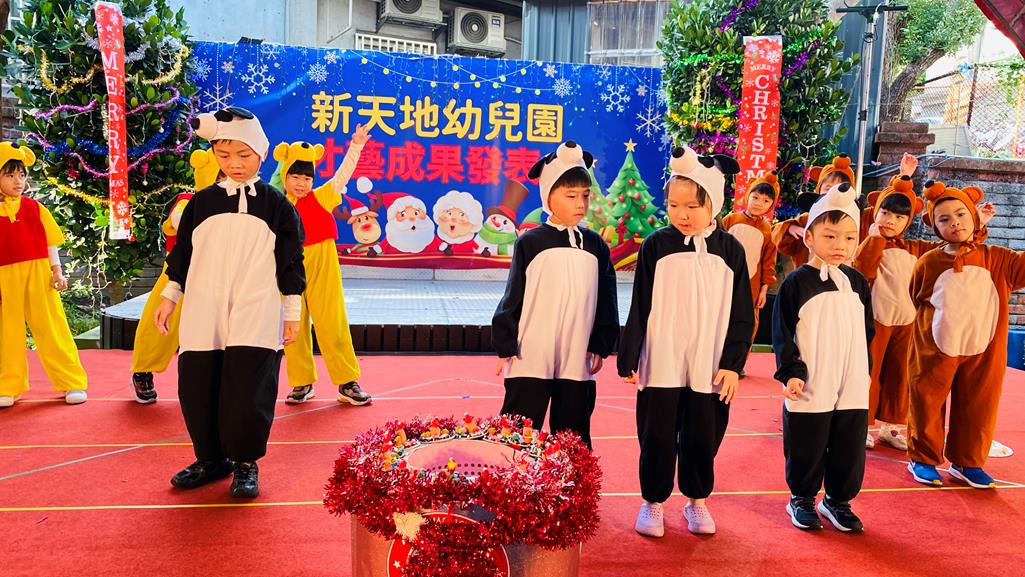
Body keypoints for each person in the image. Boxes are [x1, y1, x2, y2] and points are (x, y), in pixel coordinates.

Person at [154, 107, 305, 498]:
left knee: (247, 388)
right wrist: (170, 296)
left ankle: (244, 462)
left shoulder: (278, 206)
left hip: (256, 305)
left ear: (261, 153)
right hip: (204, 306)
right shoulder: (201, 203)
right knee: (197, 384)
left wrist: (292, 313)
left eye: (243, 155)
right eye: (224, 155)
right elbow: (183, 254)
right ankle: (210, 459)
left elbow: (291, 262)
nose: (234, 164)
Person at [620, 145, 753, 537]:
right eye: (674, 205)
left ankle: (697, 500)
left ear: (714, 203)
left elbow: (742, 314)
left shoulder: (730, 251)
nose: (682, 214)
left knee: (703, 436)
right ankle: (653, 501)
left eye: (693, 206)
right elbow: (640, 304)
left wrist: (732, 364)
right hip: (662, 360)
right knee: (657, 435)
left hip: (708, 365)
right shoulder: (656, 246)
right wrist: (630, 355)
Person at [492, 140, 619, 450]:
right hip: (531, 351)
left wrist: (601, 343)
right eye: (571, 196)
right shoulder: (531, 242)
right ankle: (514, 477)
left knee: (573, 432)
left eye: (585, 195)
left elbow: (607, 299)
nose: (580, 204)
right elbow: (514, 295)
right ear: (548, 196)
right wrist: (505, 342)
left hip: (577, 352)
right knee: (519, 429)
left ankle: (572, 479)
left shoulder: (596, 246)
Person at [906, 180, 1025, 489]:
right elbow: (916, 295)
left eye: (961, 215)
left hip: (984, 348)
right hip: (936, 347)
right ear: (935, 226)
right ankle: (922, 458)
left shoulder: (998, 258)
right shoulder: (929, 261)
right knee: (927, 400)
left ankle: (967, 461)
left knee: (979, 404)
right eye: (944, 219)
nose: (955, 223)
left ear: (974, 217)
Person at [773, 182, 874, 533]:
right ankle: (801, 497)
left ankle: (838, 500)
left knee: (849, 442)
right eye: (830, 237)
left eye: (849, 237)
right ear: (809, 237)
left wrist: (865, 370)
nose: (840, 245)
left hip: (852, 380)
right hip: (813, 378)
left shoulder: (857, 282)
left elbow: (867, 330)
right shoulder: (797, 283)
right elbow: (783, 332)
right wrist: (791, 371)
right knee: (808, 439)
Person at [275, 125, 373, 406]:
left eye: (307, 178)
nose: (301, 183)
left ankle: (347, 381)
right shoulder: (276, 205)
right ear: (285, 176)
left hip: (322, 264)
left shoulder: (322, 196)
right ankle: (301, 382)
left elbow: (343, 175)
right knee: (292, 326)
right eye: (295, 176)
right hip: (288, 270)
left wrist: (356, 146)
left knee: (332, 321)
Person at [129, 148, 222, 403]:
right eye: (219, 175)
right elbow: (180, 221)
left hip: (218, 275)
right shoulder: (187, 201)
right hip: (179, 273)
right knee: (159, 322)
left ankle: (212, 382)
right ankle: (143, 370)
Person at [0, 142, 88, 408]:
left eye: (21, 175)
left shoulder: (36, 208)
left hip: (39, 274)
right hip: (5, 278)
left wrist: (57, 271)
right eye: (10, 175)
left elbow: (50, 244)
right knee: (7, 332)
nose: (18, 181)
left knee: (52, 326)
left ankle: (71, 381)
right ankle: (8, 385)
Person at [721, 172, 779, 351]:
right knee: (721, 315)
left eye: (766, 200)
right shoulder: (730, 220)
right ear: (748, 196)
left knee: (746, 321)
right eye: (755, 197)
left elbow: (768, 263)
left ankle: (739, 358)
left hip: (751, 285)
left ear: (771, 205)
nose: (759, 203)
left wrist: (763, 290)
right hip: (723, 280)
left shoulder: (768, 231)